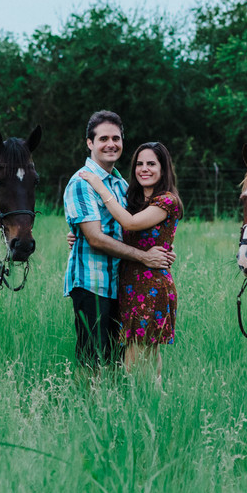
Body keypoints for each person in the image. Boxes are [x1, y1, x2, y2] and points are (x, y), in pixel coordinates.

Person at [63, 111, 173, 370]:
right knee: (92, 359)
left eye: (116, 138)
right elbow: (95, 239)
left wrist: (164, 249)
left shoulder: (121, 184)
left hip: (120, 285)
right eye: (103, 139)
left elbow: (134, 227)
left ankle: (117, 398)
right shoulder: (82, 182)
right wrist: (145, 257)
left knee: (116, 361)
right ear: (90, 143)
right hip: (92, 282)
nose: (110, 144)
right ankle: (85, 397)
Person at [78, 141, 182, 380]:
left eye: (151, 164)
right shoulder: (134, 200)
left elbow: (130, 223)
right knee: (146, 357)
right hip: (130, 285)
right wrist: (80, 234)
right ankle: (152, 398)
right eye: (139, 164)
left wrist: (100, 186)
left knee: (134, 362)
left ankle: (135, 399)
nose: (144, 169)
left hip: (151, 287)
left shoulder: (167, 200)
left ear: (164, 168)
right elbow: (123, 232)